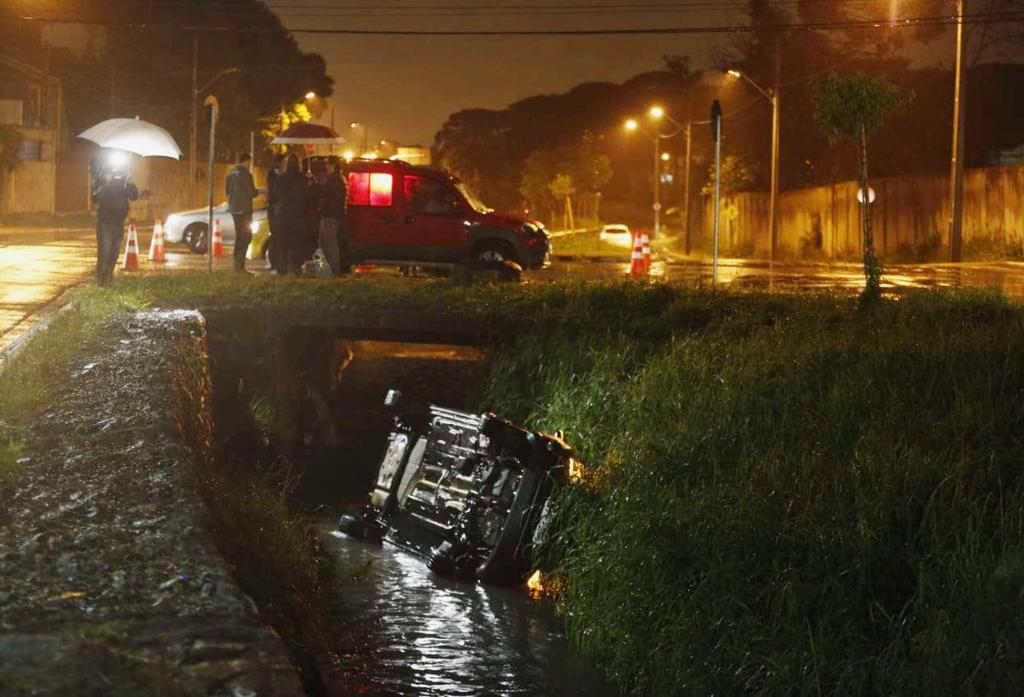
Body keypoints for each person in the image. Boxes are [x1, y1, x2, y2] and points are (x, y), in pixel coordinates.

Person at [91, 158, 139, 286]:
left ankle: (109, 278)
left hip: (119, 223)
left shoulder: (125, 183)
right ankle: (100, 282)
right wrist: (105, 183)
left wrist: (129, 182)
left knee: (114, 252)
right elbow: (95, 197)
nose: (117, 171)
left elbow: (134, 196)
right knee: (105, 251)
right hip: (104, 222)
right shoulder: (102, 178)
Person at [275, 154, 309, 275]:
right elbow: (307, 196)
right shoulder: (303, 178)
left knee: (283, 243)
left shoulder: (281, 178)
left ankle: (282, 268)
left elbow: (276, 194)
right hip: (298, 215)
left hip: (284, 214)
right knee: (296, 243)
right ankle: (296, 267)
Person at [225, 152, 259, 274]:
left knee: (239, 236)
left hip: (234, 209)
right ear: (247, 161)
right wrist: (259, 191)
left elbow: (227, 192)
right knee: (246, 237)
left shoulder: (230, 173)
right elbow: (252, 192)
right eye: (249, 162)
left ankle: (236, 264)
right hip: (244, 210)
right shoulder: (246, 174)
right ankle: (240, 266)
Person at [317, 156, 348, 275]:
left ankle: (333, 270)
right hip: (333, 215)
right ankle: (328, 269)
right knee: (325, 243)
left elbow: (324, 192)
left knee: (329, 244)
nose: (326, 167)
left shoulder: (334, 179)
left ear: (333, 165)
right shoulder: (340, 178)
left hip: (330, 215)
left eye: (327, 164)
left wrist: (315, 185)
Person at [266, 153, 286, 271]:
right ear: (278, 163)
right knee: (275, 237)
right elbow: (273, 190)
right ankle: (274, 263)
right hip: (274, 209)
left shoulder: (283, 175)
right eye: (283, 162)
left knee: (280, 237)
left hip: (280, 210)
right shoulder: (273, 174)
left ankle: (279, 263)